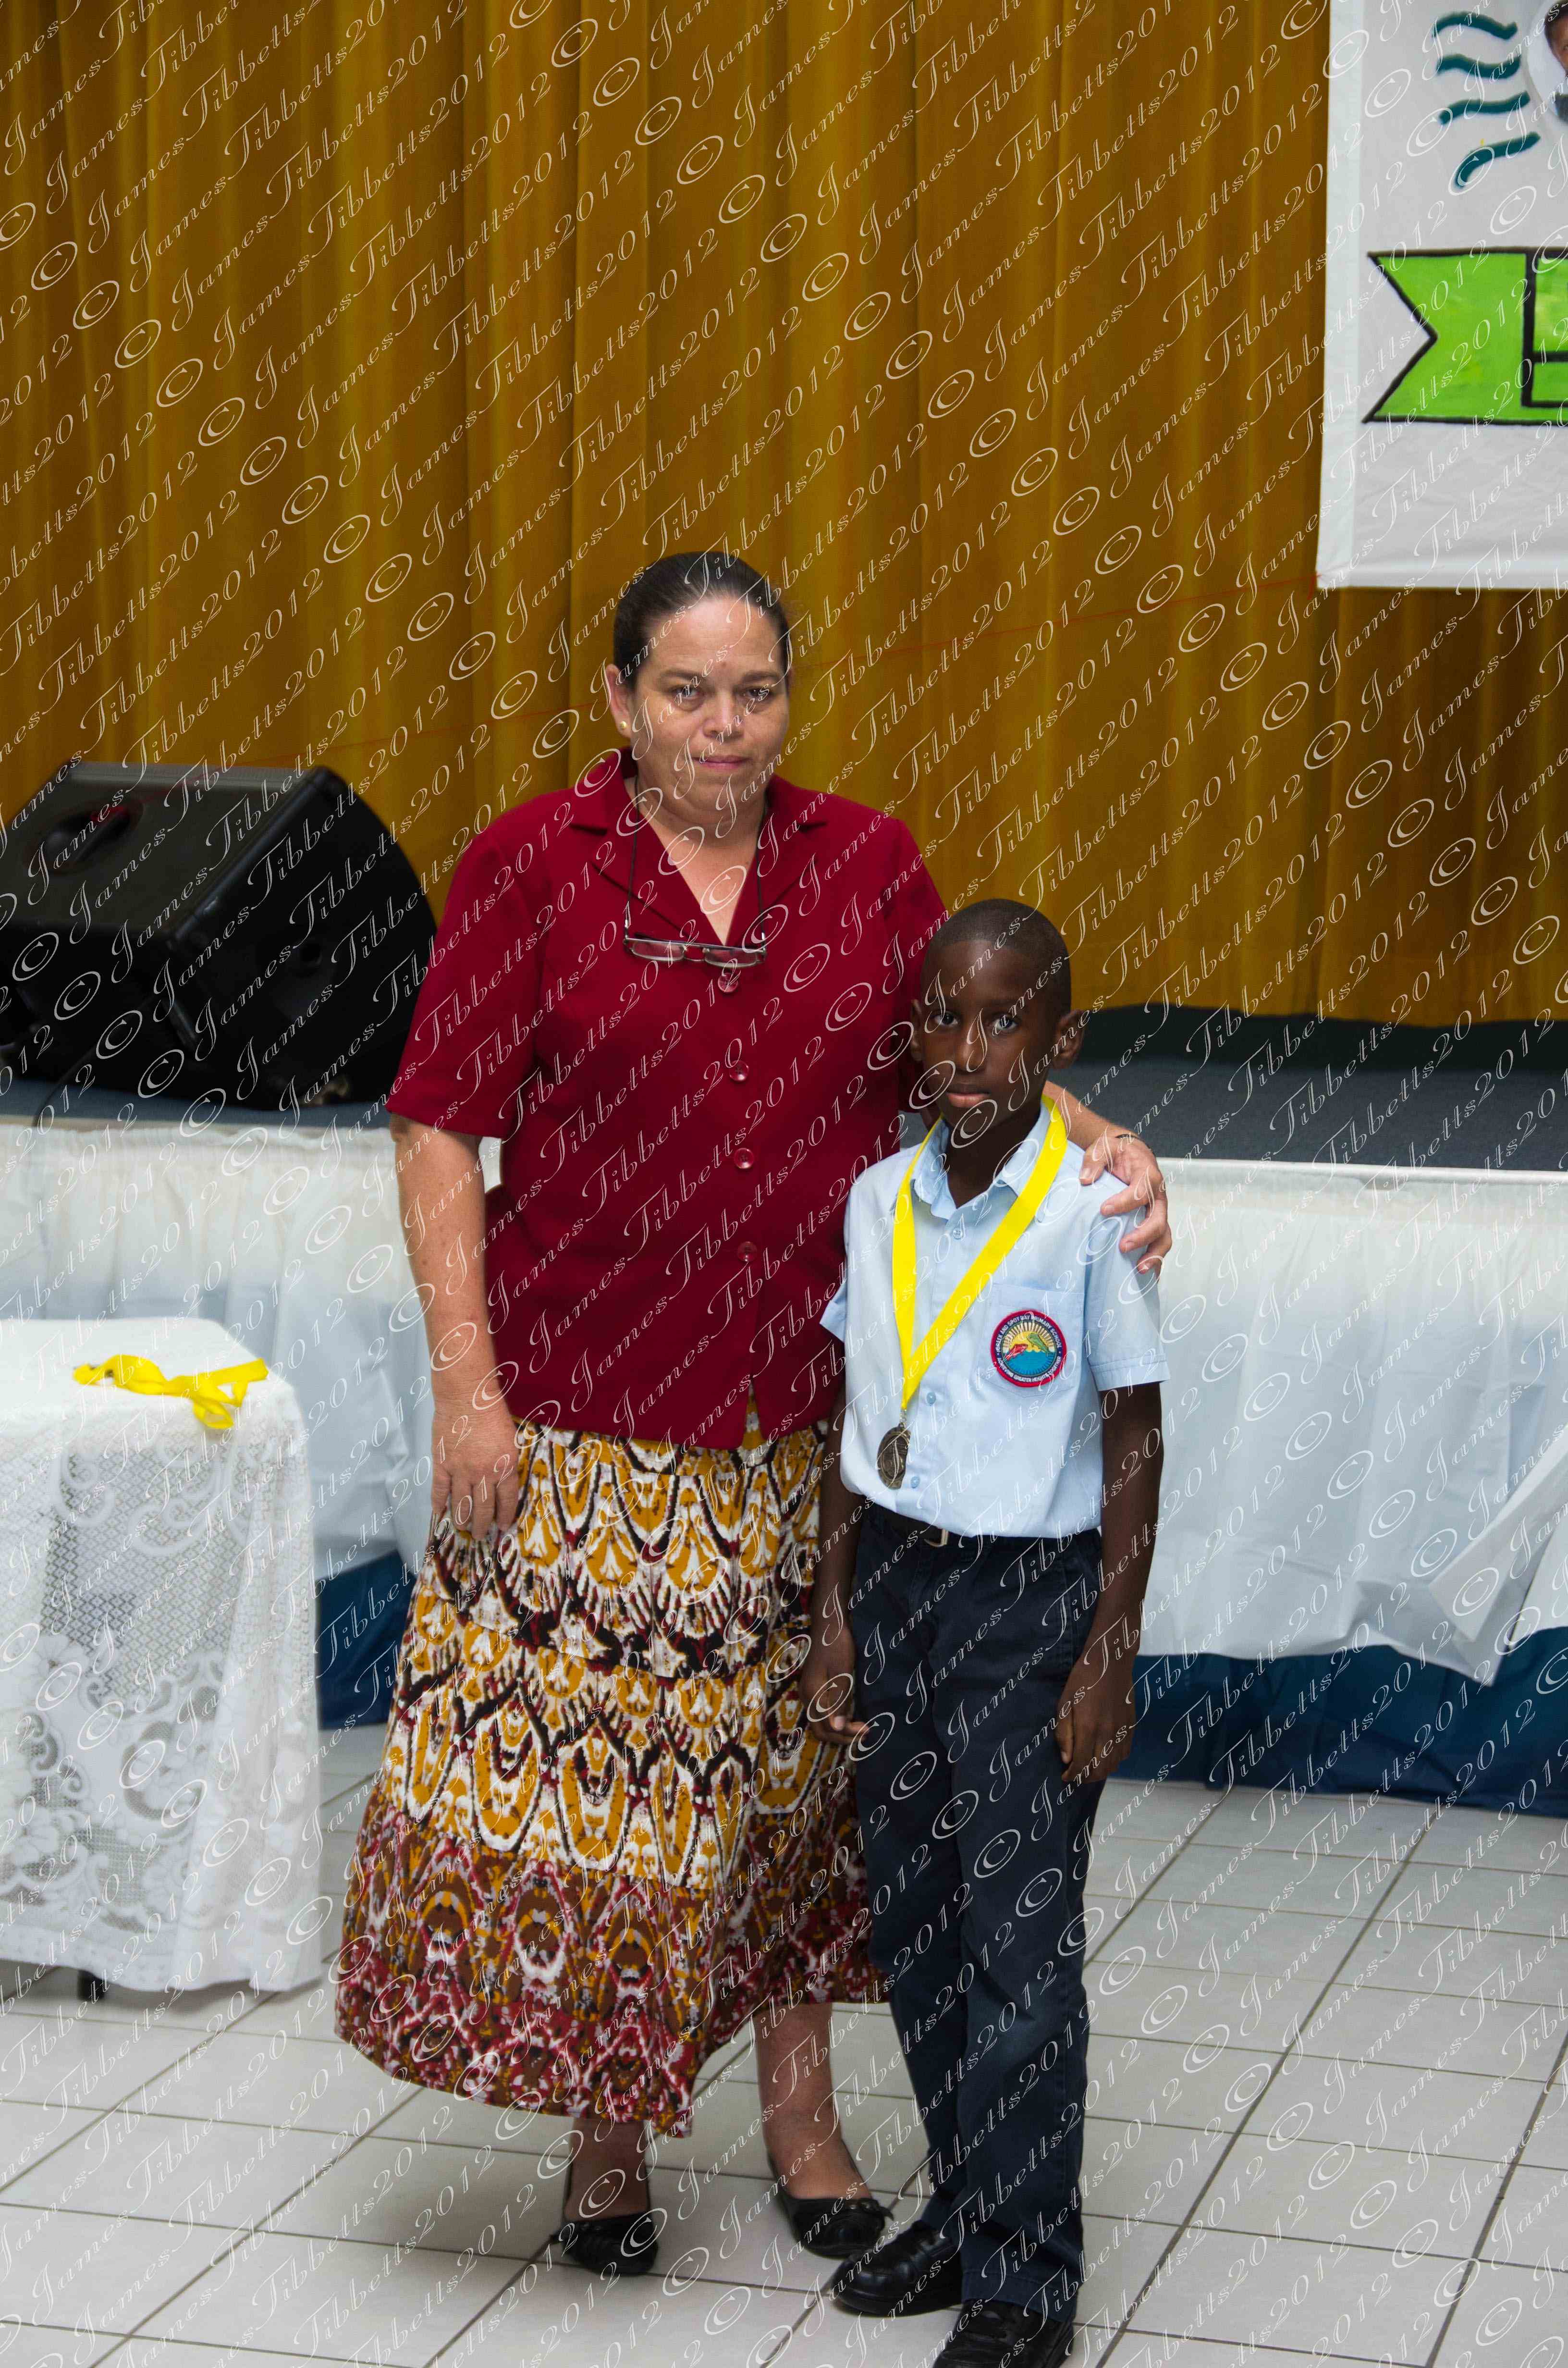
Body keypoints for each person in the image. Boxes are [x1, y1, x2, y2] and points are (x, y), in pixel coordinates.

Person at [335, 552, 1173, 2279]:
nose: (726, 726)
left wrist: (1105, 1145)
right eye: (688, 692)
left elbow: (969, 1056)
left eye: (757, 692)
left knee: (798, 1801)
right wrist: (467, 1388)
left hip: (819, 1438)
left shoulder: (862, 862)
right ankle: (609, 2146)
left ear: (791, 699)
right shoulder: (529, 866)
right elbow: (436, 1127)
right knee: (604, 1811)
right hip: (587, 1418)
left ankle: (805, 2122)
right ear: (622, 701)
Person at [802, 899, 1167, 2368]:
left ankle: (1026, 2278)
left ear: (1059, 1040)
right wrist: (834, 1613)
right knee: (921, 1926)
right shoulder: (876, 1200)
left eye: (1004, 1020)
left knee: (1020, 1951)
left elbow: (1134, 1431)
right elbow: (855, 1418)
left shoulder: (1091, 1211)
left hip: (1029, 1607)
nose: (968, 1049)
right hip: (894, 1585)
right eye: (944, 1017)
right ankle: (963, 2210)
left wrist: (1110, 1645)